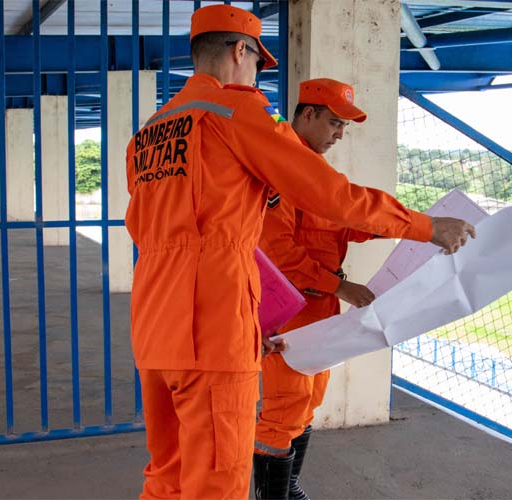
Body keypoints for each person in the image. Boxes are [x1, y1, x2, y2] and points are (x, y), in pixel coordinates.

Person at [123, 5, 475, 499]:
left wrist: (250, 320)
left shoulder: (149, 134)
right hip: (211, 327)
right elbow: (329, 195)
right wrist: (423, 226)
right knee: (216, 482)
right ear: (240, 50)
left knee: (168, 475)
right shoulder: (236, 109)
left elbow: (148, 230)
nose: (257, 72)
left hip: (154, 324)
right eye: (257, 62)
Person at [253, 78, 381, 500]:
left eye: (345, 126)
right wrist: (340, 287)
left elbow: (341, 223)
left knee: (308, 401)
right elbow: (280, 252)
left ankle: (286, 487)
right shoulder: (281, 169)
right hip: (290, 311)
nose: (340, 134)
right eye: (334, 122)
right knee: (284, 407)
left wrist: (406, 227)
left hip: (321, 308)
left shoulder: (318, 173)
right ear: (307, 114)